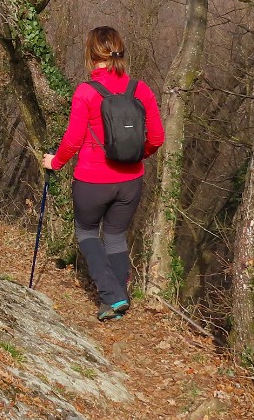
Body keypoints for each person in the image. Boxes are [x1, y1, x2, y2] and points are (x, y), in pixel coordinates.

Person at [42, 26, 165, 321]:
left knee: (86, 233)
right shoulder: (140, 88)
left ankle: (113, 296)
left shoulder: (87, 92)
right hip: (131, 181)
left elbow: (72, 140)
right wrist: (137, 155)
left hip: (92, 181)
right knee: (115, 236)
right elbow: (157, 138)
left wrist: (54, 163)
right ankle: (118, 299)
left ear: (91, 55)